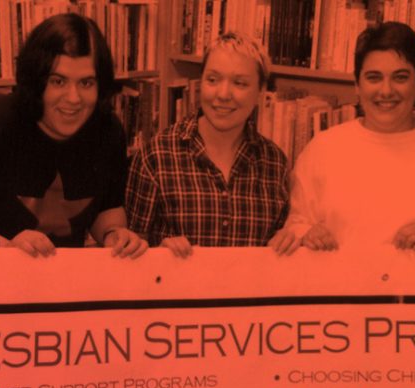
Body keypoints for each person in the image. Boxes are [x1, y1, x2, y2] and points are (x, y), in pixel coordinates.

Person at [0, 13, 147, 258]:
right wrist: (3, 245)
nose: (73, 98)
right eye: (58, 81)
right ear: (36, 80)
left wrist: (114, 234)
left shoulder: (109, 131)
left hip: (65, 283)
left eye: (86, 83)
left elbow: (107, 207)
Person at [286, 22, 415, 251]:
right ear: (357, 86)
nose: (386, 91)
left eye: (400, 78)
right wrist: (307, 235)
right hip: (336, 286)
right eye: (374, 78)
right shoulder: (323, 149)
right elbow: (295, 225)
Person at [126, 32, 294, 258]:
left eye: (240, 83)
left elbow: (278, 253)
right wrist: (159, 256)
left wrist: (287, 242)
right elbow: (131, 250)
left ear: (261, 92)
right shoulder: (157, 156)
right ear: (200, 83)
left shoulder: (275, 164)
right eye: (212, 80)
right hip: (174, 290)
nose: (223, 94)